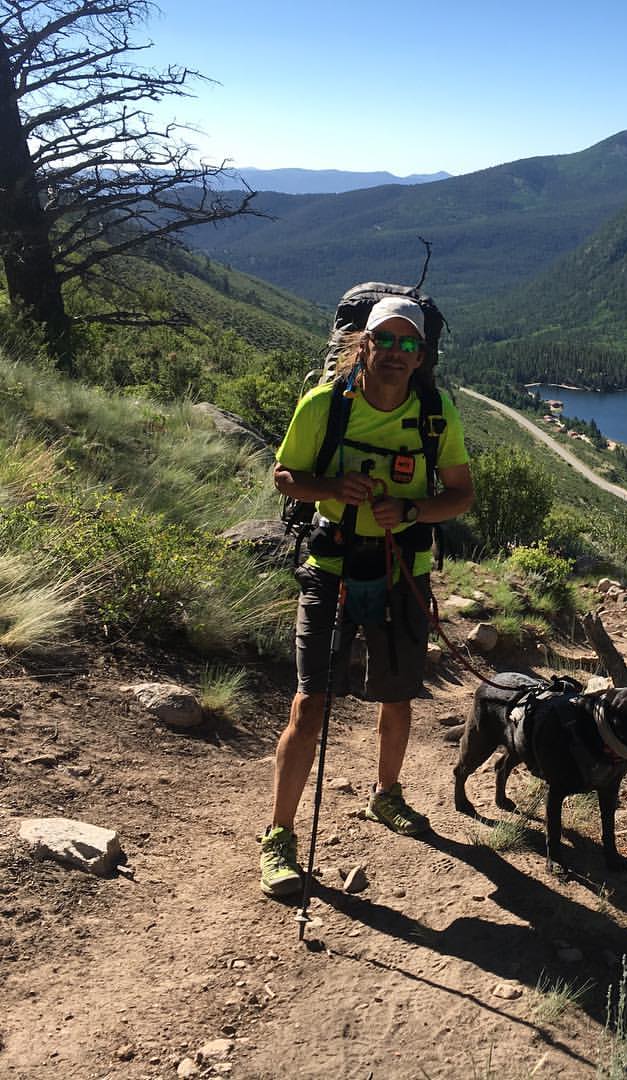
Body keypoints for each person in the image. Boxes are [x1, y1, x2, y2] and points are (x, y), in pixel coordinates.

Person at [260, 293, 474, 897]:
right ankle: (278, 836)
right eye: (387, 341)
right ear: (365, 343)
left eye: (410, 344)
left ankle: (387, 794)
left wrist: (408, 508)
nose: (397, 354)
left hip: (404, 567)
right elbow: (285, 476)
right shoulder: (325, 407)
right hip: (330, 567)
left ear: (422, 355)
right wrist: (332, 486)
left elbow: (459, 494)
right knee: (310, 705)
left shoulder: (436, 413)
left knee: (398, 693)